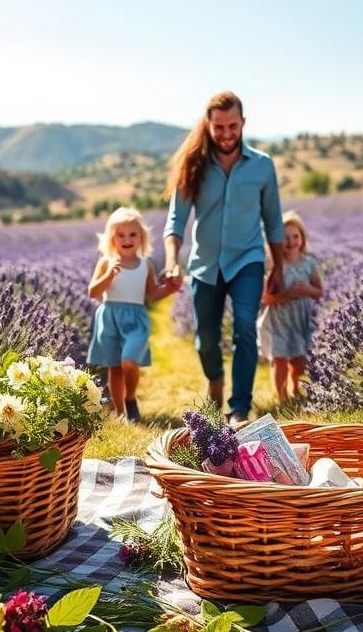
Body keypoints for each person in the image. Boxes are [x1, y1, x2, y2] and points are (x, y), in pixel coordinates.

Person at [162, 91, 285, 424]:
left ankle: (239, 407)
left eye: (233, 126)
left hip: (247, 260)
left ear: (243, 123)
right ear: (209, 125)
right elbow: (175, 221)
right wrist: (172, 260)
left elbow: (273, 220)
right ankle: (215, 382)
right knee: (206, 340)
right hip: (205, 265)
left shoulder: (261, 166)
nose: (227, 134)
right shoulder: (193, 165)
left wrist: (278, 266)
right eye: (219, 127)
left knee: (246, 327)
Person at [87, 206, 179, 422]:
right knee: (115, 368)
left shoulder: (145, 265)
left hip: (135, 320)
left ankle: (130, 398)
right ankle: (121, 414)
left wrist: (170, 288)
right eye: (121, 235)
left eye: (132, 234)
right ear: (111, 239)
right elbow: (93, 292)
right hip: (110, 318)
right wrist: (110, 275)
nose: (127, 239)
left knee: (129, 362)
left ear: (141, 237)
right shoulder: (106, 263)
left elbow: (152, 293)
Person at [257, 210, 323, 402]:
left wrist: (307, 288)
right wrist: (285, 296)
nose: (291, 241)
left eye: (296, 236)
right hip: (277, 321)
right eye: (285, 238)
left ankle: (295, 387)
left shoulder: (309, 263)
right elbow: (265, 298)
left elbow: (319, 292)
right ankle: (282, 397)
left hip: (300, 320)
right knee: (279, 360)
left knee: (299, 361)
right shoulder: (274, 266)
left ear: (302, 238)